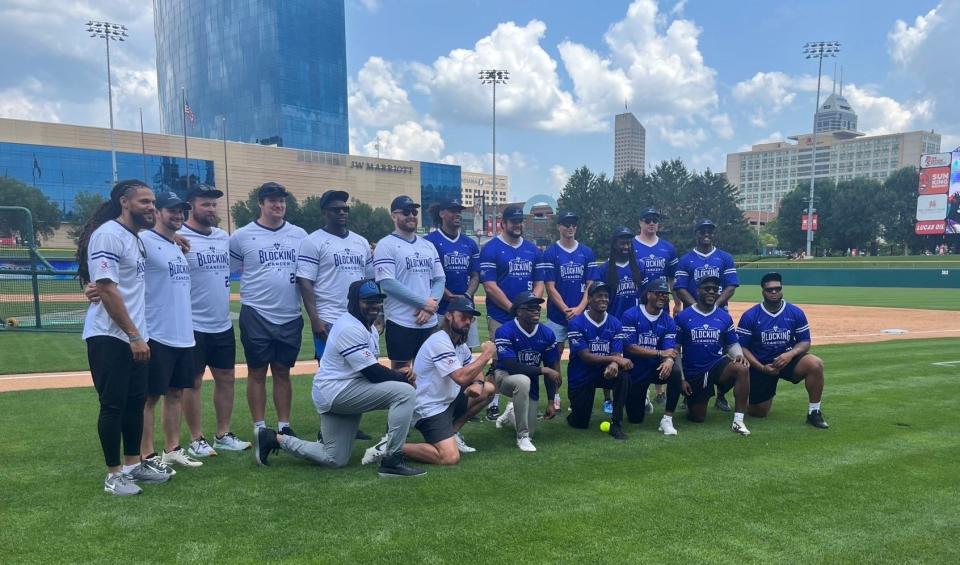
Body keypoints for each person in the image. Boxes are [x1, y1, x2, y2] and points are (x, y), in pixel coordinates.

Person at [253, 280, 425, 477]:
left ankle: (274, 439)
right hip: (337, 392)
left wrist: (397, 375)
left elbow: (369, 369)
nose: (374, 306)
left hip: (344, 389)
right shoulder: (349, 327)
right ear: (354, 302)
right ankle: (392, 461)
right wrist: (400, 376)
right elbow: (373, 373)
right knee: (404, 393)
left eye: (377, 301)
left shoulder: (367, 328)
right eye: (368, 301)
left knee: (334, 459)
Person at [77, 179, 170, 495]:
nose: (151, 207)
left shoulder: (137, 238)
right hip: (110, 336)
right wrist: (132, 335)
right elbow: (106, 288)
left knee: (135, 403)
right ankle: (113, 474)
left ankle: (133, 465)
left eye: (153, 202)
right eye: (145, 201)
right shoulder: (107, 235)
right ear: (124, 202)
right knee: (113, 405)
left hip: (136, 336)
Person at [179, 183, 251, 458]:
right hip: (192, 323)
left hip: (221, 323)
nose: (211, 209)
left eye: (213, 204)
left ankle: (222, 434)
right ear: (191, 207)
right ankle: (196, 439)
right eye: (205, 204)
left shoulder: (223, 237)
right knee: (193, 382)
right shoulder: (177, 236)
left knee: (227, 378)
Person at [230, 182, 307, 437]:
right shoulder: (242, 235)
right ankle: (259, 427)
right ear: (260, 204)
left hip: (289, 313)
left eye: (282, 200)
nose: (278, 205)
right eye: (272, 200)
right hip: (256, 312)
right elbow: (232, 268)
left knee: (283, 371)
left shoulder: (299, 234)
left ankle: (285, 425)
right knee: (257, 371)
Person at [297, 189, 374, 441]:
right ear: (325, 212)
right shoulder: (313, 241)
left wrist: (376, 316)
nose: (341, 212)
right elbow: (305, 282)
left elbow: (370, 281)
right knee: (330, 374)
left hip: (358, 320)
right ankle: (325, 429)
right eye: (335, 209)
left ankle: (352, 424)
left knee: (360, 373)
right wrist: (315, 318)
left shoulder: (361, 242)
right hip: (329, 317)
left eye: (344, 209)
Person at [138, 192, 202, 471]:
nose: (178, 215)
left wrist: (173, 239)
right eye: (172, 211)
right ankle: (146, 454)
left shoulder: (176, 245)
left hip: (183, 333)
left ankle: (172, 448)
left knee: (176, 393)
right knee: (150, 397)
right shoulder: (142, 240)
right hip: (157, 332)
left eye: (181, 211)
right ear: (158, 212)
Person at [402, 297, 496, 466]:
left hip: (447, 401)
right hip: (428, 407)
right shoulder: (439, 341)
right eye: (463, 316)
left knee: (488, 389)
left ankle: (451, 433)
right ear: (449, 316)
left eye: (471, 318)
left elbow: (477, 373)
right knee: (449, 457)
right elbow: (461, 378)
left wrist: (479, 383)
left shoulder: (459, 343)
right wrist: (487, 354)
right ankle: (392, 447)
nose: (467, 322)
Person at [478, 204, 546, 420]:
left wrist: (531, 306)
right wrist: (513, 309)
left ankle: (518, 404)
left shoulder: (532, 249)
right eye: (513, 221)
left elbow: (539, 282)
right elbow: (490, 286)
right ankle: (494, 403)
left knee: (526, 359)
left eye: (520, 221)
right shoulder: (491, 248)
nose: (517, 225)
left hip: (525, 317)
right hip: (501, 315)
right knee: (500, 361)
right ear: (503, 223)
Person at [737, 272, 828, 428]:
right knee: (759, 413)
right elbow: (742, 347)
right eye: (769, 290)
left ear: (782, 290)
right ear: (763, 292)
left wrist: (790, 354)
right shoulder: (750, 315)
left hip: (787, 360)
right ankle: (749, 395)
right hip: (761, 364)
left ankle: (814, 412)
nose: (774, 292)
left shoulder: (795, 312)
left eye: (777, 289)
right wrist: (761, 368)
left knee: (815, 364)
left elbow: (805, 342)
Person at [674, 219, 740, 412]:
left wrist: (714, 307)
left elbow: (731, 285)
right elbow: (680, 287)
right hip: (692, 315)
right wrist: (696, 307)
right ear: (696, 233)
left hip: (719, 314)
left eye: (710, 230)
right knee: (690, 352)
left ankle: (721, 396)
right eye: (703, 230)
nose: (706, 233)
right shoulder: (686, 259)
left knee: (725, 354)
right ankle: (690, 393)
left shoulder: (724, 257)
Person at [373, 195, 445, 371]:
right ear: (394, 216)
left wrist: (431, 305)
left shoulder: (427, 245)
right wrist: (423, 303)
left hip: (429, 321)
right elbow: (388, 283)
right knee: (402, 373)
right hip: (401, 320)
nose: (412, 215)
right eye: (406, 212)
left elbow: (439, 279)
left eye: (414, 211)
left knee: (430, 372)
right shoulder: (386, 245)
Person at [674, 276, 752, 435]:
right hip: (695, 370)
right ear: (697, 291)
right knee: (697, 417)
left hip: (717, 364)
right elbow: (676, 349)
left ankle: (738, 420)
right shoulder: (683, 316)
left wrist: (739, 355)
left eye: (715, 289)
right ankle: (692, 401)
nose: (711, 292)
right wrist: (681, 378)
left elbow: (731, 343)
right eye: (707, 288)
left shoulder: (723, 316)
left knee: (741, 368)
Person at [492, 291, 562, 452]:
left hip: (532, 381)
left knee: (532, 432)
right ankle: (521, 437)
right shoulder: (505, 330)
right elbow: (511, 365)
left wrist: (551, 400)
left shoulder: (547, 333)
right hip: (505, 377)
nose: (536, 310)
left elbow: (551, 367)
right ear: (518, 311)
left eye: (537, 307)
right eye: (530, 308)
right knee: (522, 381)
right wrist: (542, 370)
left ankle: (512, 413)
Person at [565, 283, 634, 440]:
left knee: (623, 376)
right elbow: (585, 356)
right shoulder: (576, 323)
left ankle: (616, 424)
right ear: (589, 299)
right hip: (581, 373)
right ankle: (576, 413)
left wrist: (614, 365)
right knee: (579, 423)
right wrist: (615, 359)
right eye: (599, 296)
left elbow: (616, 352)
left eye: (606, 296)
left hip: (604, 372)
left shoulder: (615, 323)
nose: (603, 299)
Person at [591, 226, 647, 415]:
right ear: (614, 244)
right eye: (622, 241)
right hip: (613, 321)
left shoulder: (639, 266)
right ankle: (608, 399)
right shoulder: (605, 268)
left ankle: (638, 394)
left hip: (634, 321)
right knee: (611, 359)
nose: (626, 245)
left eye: (628, 242)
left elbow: (645, 295)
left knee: (634, 358)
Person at [620, 278, 682, 435]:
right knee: (635, 419)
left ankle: (667, 420)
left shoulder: (668, 320)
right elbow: (630, 347)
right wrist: (661, 353)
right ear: (648, 295)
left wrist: (668, 360)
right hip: (635, 369)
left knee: (674, 371)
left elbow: (670, 348)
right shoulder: (631, 314)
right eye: (658, 293)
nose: (663, 297)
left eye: (665, 294)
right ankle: (644, 399)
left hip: (657, 368)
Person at [631, 207, 680, 405]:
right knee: (641, 341)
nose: (651, 223)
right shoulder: (632, 245)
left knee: (660, 340)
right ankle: (642, 389)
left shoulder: (667, 247)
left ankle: (660, 390)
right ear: (640, 222)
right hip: (638, 302)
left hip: (661, 302)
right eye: (647, 219)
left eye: (655, 220)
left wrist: (677, 302)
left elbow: (672, 278)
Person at [424, 198, 481, 347]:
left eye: (459, 211)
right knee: (438, 351)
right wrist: (446, 294)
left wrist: (467, 295)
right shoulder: (429, 242)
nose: (458, 214)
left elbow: (475, 274)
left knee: (465, 352)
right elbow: (427, 276)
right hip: (439, 308)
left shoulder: (470, 243)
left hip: (466, 309)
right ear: (442, 213)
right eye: (453, 211)